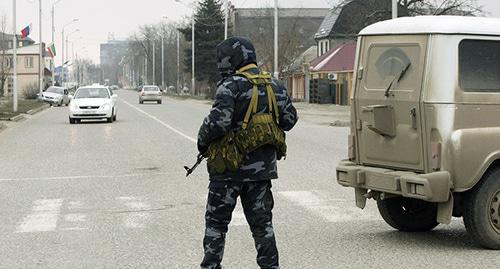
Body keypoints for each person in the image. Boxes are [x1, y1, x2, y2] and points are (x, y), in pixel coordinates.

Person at [197, 36, 298, 269]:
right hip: (261, 173)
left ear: (233, 59)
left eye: (223, 60)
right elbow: (290, 120)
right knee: (262, 226)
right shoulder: (274, 85)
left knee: (216, 225)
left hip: (227, 172)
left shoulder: (230, 86)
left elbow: (218, 124)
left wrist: (202, 143)